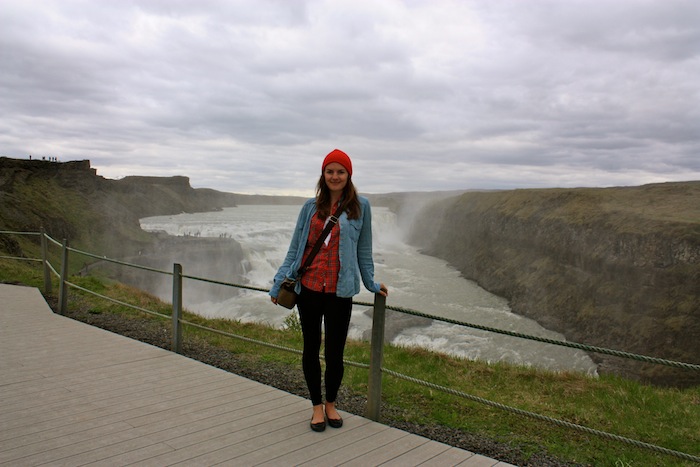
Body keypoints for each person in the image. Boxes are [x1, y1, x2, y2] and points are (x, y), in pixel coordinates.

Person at [270, 149, 388, 432]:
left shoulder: (361, 207)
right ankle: (315, 407)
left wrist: (371, 282)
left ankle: (332, 404)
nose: (335, 176)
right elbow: (296, 248)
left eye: (340, 171)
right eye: (330, 171)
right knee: (310, 349)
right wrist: (278, 282)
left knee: (335, 354)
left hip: (340, 292)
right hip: (308, 289)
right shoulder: (310, 207)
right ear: (323, 175)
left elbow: (364, 249)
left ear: (349, 176)